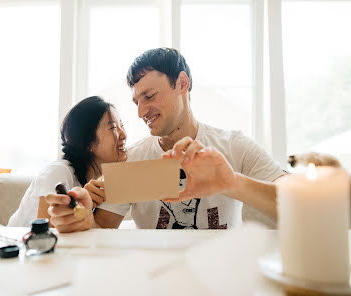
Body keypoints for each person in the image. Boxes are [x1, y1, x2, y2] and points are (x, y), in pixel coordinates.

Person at [46, 48, 287, 232]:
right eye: (136, 102)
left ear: (182, 83)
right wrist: (80, 218)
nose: (141, 112)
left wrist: (232, 182)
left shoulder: (235, 146)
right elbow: (100, 233)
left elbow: (297, 204)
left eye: (149, 96)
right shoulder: (132, 162)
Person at [7, 96, 127, 228]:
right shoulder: (58, 172)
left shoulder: (98, 184)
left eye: (122, 125)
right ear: (88, 142)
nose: (124, 135)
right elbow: (48, 236)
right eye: (114, 128)